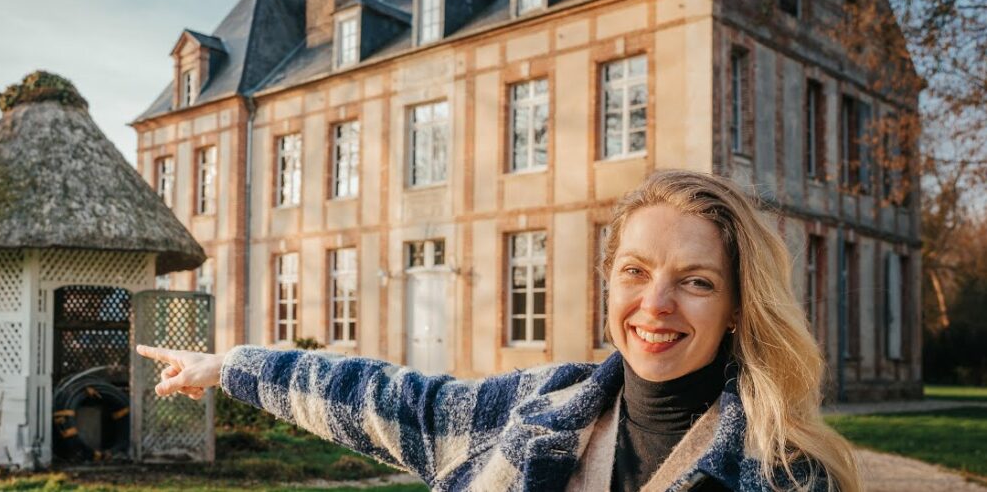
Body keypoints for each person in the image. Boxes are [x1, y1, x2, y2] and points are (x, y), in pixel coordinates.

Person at [136, 170, 862, 491]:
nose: (657, 304)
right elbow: (381, 399)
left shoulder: (787, 478)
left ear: (739, 306)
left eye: (696, 281)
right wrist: (227, 367)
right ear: (609, 284)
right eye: (636, 271)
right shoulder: (533, 413)